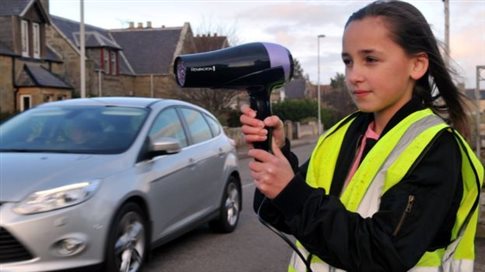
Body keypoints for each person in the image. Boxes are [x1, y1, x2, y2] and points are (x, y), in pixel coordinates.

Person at [240, 1, 484, 271]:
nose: (353, 75)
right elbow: (277, 213)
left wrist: (291, 191)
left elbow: (383, 253)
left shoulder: (437, 148)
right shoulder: (339, 135)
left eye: (370, 59)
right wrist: (277, 154)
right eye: (348, 61)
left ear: (417, 65)